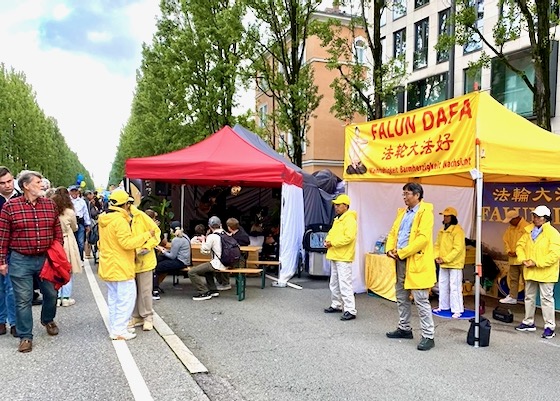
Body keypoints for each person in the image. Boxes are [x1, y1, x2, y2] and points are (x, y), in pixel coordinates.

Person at [0, 170, 63, 353]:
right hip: (20, 260)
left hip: (45, 258)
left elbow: (57, 231)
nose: (42, 185)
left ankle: (47, 319)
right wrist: (2, 261)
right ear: (26, 186)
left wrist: (57, 250)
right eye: (38, 182)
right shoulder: (10, 207)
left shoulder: (50, 205)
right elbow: (3, 237)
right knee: (23, 299)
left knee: (51, 294)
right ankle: (25, 336)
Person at [97, 189, 155, 341]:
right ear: (125, 204)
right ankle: (119, 330)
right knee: (126, 298)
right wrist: (147, 235)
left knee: (114, 298)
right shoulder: (120, 220)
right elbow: (127, 243)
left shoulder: (104, 219)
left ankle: (115, 327)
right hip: (121, 265)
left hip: (108, 264)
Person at [385, 182, 436, 351]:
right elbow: (393, 233)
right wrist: (390, 249)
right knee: (401, 296)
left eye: (407, 194)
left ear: (417, 195)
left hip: (415, 261)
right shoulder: (403, 213)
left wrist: (403, 252)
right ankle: (404, 328)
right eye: (404, 194)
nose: (404, 197)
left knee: (421, 299)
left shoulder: (425, 212)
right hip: (401, 259)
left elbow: (423, 239)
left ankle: (428, 335)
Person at [515, 205, 560, 339]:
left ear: (545, 219)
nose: (534, 219)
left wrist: (536, 262)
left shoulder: (553, 234)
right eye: (534, 216)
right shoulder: (528, 231)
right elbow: (520, 246)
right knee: (529, 297)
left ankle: (549, 326)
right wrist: (523, 260)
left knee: (546, 299)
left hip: (546, 272)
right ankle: (528, 322)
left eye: (537, 216)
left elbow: (554, 255)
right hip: (530, 269)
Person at [323, 194, 358, 321]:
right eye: (335, 205)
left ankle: (350, 309)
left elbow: (349, 238)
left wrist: (332, 243)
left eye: (338, 205)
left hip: (343, 256)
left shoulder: (349, 220)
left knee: (344, 283)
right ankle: (336, 304)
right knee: (335, 282)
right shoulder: (338, 219)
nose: (336, 207)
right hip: (336, 254)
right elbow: (331, 233)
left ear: (346, 206)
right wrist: (327, 240)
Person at [128, 204, 160, 331]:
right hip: (128, 261)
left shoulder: (141, 216)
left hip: (144, 260)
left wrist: (147, 247)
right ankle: (136, 316)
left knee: (145, 291)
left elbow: (156, 233)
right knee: (132, 291)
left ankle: (147, 316)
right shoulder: (119, 218)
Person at [50, 187, 82, 307]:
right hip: (67, 240)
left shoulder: (51, 209)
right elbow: (74, 227)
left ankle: (57, 296)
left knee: (56, 269)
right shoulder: (69, 212)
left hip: (54, 241)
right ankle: (66, 297)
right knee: (68, 269)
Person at [432, 207, 466, 319]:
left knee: (455, 287)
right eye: (444, 216)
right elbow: (436, 245)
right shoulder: (442, 230)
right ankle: (443, 306)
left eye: (447, 216)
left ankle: (457, 309)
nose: (445, 218)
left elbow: (458, 248)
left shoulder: (458, 231)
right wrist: (436, 256)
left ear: (453, 217)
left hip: (454, 264)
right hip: (443, 262)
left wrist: (445, 258)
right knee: (442, 285)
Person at [187, 216, 227, 301]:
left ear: (209, 226)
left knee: (192, 272)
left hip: (218, 263)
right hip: (228, 262)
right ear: (221, 225)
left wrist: (203, 240)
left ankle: (203, 292)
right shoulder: (226, 234)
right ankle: (213, 290)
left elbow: (205, 250)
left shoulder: (212, 236)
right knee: (207, 270)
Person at [0, 166, 19, 336]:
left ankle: (14, 322)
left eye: (9, 181)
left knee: (12, 288)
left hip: (14, 249)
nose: (7, 185)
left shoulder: (21, 198)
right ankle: (0, 320)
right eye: (3, 183)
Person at [153, 221, 191, 299]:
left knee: (157, 267)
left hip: (180, 262)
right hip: (183, 260)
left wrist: (163, 251)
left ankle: (154, 291)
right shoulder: (185, 236)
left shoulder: (176, 240)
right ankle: (154, 285)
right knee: (160, 259)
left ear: (172, 230)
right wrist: (165, 251)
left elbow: (172, 256)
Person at [500, 210, 530, 304]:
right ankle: (513, 297)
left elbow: (529, 243)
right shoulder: (510, 228)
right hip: (513, 259)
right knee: (513, 279)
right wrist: (509, 251)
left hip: (524, 259)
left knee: (527, 280)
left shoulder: (527, 227)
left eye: (511, 220)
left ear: (516, 218)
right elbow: (505, 240)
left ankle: (529, 299)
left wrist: (518, 252)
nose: (509, 222)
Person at [215, 217, 250, 291]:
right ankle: (224, 282)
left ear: (229, 227)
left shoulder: (240, 236)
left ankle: (224, 283)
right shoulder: (240, 232)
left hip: (238, 258)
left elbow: (244, 241)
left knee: (220, 262)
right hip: (238, 257)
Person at [68, 185, 91, 261]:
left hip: (80, 222)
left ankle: (80, 258)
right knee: (72, 241)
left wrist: (87, 224)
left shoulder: (82, 201)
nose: (74, 193)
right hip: (70, 222)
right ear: (70, 192)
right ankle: (73, 259)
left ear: (78, 192)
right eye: (72, 191)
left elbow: (85, 213)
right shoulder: (67, 201)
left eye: (75, 191)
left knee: (81, 242)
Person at [84, 190, 100, 259]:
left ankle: (87, 253)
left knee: (86, 238)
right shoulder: (89, 203)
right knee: (89, 236)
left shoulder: (84, 201)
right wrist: (97, 211)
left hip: (85, 221)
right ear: (88, 195)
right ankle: (88, 253)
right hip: (89, 221)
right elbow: (93, 213)